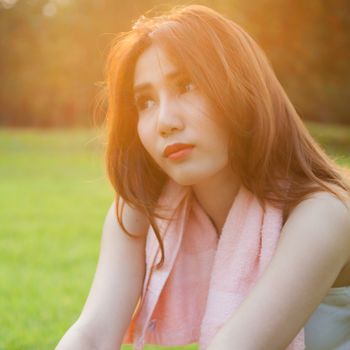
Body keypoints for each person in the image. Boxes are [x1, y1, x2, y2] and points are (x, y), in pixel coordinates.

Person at [56, 4, 350, 350]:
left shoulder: (323, 215)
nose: (166, 121)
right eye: (146, 101)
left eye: (187, 85)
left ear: (243, 91)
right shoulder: (143, 206)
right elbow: (92, 336)